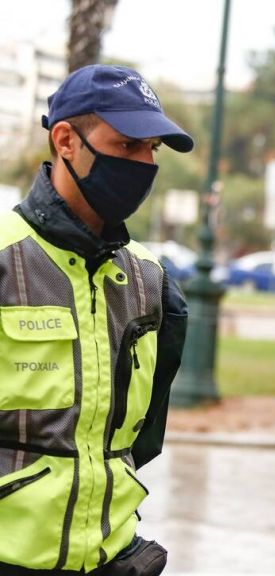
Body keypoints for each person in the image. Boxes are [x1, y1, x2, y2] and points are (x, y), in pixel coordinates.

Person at [0, 64, 193, 574]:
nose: (144, 163)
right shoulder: (4, 261)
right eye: (128, 145)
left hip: (113, 559)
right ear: (65, 140)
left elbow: (143, 440)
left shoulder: (154, 283)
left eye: (153, 149)